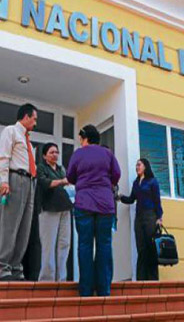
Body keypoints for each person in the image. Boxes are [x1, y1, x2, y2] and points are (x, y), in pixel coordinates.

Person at [67, 124, 121, 296]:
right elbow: (116, 174)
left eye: (81, 139)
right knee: (104, 245)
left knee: (85, 245)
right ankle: (104, 290)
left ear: (85, 138)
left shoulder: (78, 154)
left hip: (84, 204)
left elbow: (70, 176)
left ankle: (86, 291)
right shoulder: (108, 154)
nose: (80, 142)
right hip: (105, 204)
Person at [0, 103, 38, 281]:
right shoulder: (10, 131)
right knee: (9, 226)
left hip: (29, 181)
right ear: (26, 117)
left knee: (24, 228)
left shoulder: (28, 141)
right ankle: (2, 268)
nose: (35, 123)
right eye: (34, 119)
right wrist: (4, 181)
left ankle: (16, 268)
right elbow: (4, 157)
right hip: (15, 179)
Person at [118, 158, 163, 281]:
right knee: (141, 248)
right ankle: (141, 279)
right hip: (139, 218)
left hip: (150, 216)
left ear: (145, 167)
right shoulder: (136, 183)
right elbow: (131, 199)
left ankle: (152, 280)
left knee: (151, 248)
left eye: (139, 165)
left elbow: (157, 200)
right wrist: (120, 197)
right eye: (136, 165)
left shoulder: (152, 182)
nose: (137, 167)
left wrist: (159, 217)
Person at [37, 142, 73, 281]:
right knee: (49, 244)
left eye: (56, 152)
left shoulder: (61, 169)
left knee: (64, 244)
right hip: (49, 209)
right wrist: (61, 181)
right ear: (44, 155)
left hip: (65, 209)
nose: (55, 155)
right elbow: (45, 183)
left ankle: (61, 279)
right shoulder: (41, 168)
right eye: (51, 152)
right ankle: (47, 279)